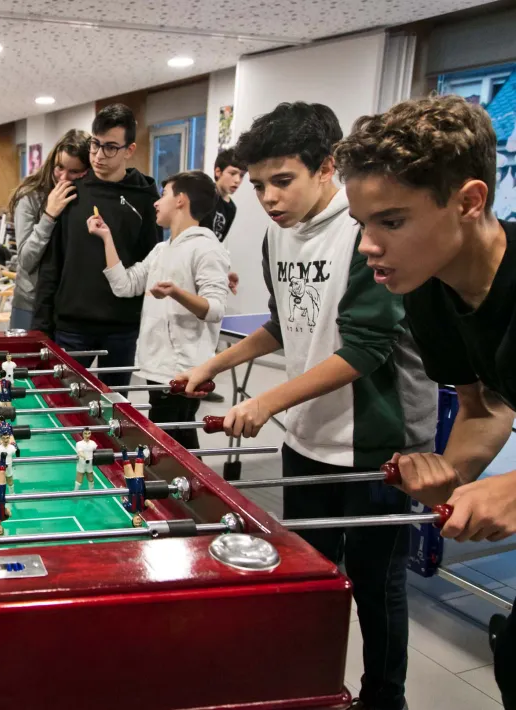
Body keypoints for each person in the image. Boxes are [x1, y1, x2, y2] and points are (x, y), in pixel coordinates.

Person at [180, 102, 436, 710]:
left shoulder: (365, 232)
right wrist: (214, 363)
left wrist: (266, 401)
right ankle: (312, 689)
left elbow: (367, 348)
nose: (268, 197)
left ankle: (384, 699)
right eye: (259, 184)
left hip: (378, 441)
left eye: (283, 180)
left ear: (327, 168)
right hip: (307, 439)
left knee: (377, 587)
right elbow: (284, 324)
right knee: (310, 578)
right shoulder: (277, 234)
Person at [335, 94, 515, 709]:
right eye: (362, 224)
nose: (367, 246)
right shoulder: (432, 294)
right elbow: (485, 406)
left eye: (392, 221)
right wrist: (454, 475)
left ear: (468, 202)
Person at [93, 170, 229, 451]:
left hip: (183, 371)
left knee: (172, 448)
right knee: (175, 446)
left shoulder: (207, 248)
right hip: (158, 367)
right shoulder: (161, 249)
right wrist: (106, 238)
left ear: (180, 200)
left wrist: (176, 293)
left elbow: (215, 309)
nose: (156, 202)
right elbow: (124, 284)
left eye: (164, 194)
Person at [32, 104, 162, 388]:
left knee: (115, 413)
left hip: (122, 328)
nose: (99, 155)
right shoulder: (69, 193)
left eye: (111, 147)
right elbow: (51, 265)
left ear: (129, 149)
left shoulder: (145, 198)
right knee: (63, 406)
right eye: (95, 144)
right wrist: (41, 328)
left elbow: (154, 262)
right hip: (71, 327)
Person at [7, 129, 90, 330]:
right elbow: (26, 259)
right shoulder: (30, 196)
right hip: (30, 303)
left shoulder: (85, 199)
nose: (63, 177)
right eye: (59, 167)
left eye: (74, 172)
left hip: (70, 304)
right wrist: (49, 215)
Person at [202, 148, 246, 300]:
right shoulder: (203, 196)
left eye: (241, 175)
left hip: (205, 270)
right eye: (233, 173)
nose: (237, 180)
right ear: (218, 172)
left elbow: (216, 245)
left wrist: (221, 274)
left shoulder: (231, 209)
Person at [121, 446, 152, 527]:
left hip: (131, 485)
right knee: (139, 466)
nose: (138, 522)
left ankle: (124, 452)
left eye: (136, 523)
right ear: (142, 520)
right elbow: (146, 502)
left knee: (128, 467)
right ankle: (140, 450)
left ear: (132, 520)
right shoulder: (143, 509)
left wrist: (122, 492)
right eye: (140, 523)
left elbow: (123, 499)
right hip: (140, 484)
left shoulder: (129, 509)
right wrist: (150, 504)